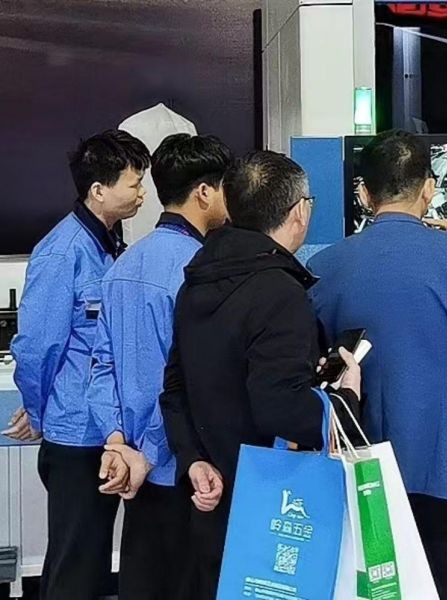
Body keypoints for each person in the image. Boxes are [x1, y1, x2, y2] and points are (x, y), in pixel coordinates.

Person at [308, 130, 447, 600]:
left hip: (360, 468)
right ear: (429, 188)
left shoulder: (324, 266)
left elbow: (319, 370)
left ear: (364, 194)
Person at [159, 150, 362, 600]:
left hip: (213, 500)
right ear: (300, 211)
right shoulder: (279, 291)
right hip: (274, 508)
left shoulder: (196, 282)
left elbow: (175, 389)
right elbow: (279, 406)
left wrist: (193, 460)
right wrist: (345, 401)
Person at [87, 134, 232, 599]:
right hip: (188, 471)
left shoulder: (122, 265)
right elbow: (190, 379)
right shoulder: (202, 269)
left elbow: (101, 365)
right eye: (225, 186)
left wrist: (117, 442)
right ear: (204, 192)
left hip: (134, 471)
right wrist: (149, 453)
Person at [8, 130, 149, 599]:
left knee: (87, 560)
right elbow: (36, 348)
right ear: (98, 190)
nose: (141, 193)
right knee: (76, 564)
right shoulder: (63, 251)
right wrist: (39, 411)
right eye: (134, 183)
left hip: (106, 429)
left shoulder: (110, 241)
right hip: (75, 435)